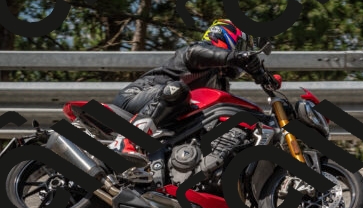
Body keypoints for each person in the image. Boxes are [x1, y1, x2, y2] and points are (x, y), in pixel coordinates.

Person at [109, 19, 263, 162]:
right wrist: (236, 57)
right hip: (136, 96)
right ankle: (126, 141)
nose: (245, 52)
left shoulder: (219, 82)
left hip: (165, 116)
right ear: (225, 36)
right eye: (242, 47)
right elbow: (197, 53)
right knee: (179, 91)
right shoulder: (197, 53)